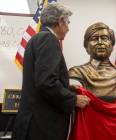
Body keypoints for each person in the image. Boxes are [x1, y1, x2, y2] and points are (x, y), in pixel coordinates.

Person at [12, 3, 90, 140]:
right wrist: (73, 99)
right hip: (42, 128)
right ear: (60, 21)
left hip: (33, 125)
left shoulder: (36, 39)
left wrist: (67, 87)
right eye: (67, 23)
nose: (68, 29)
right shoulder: (48, 39)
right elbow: (46, 82)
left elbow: (41, 79)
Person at [69, 22, 116, 102]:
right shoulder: (77, 73)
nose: (100, 42)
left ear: (112, 45)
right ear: (86, 46)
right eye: (94, 39)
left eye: (104, 38)